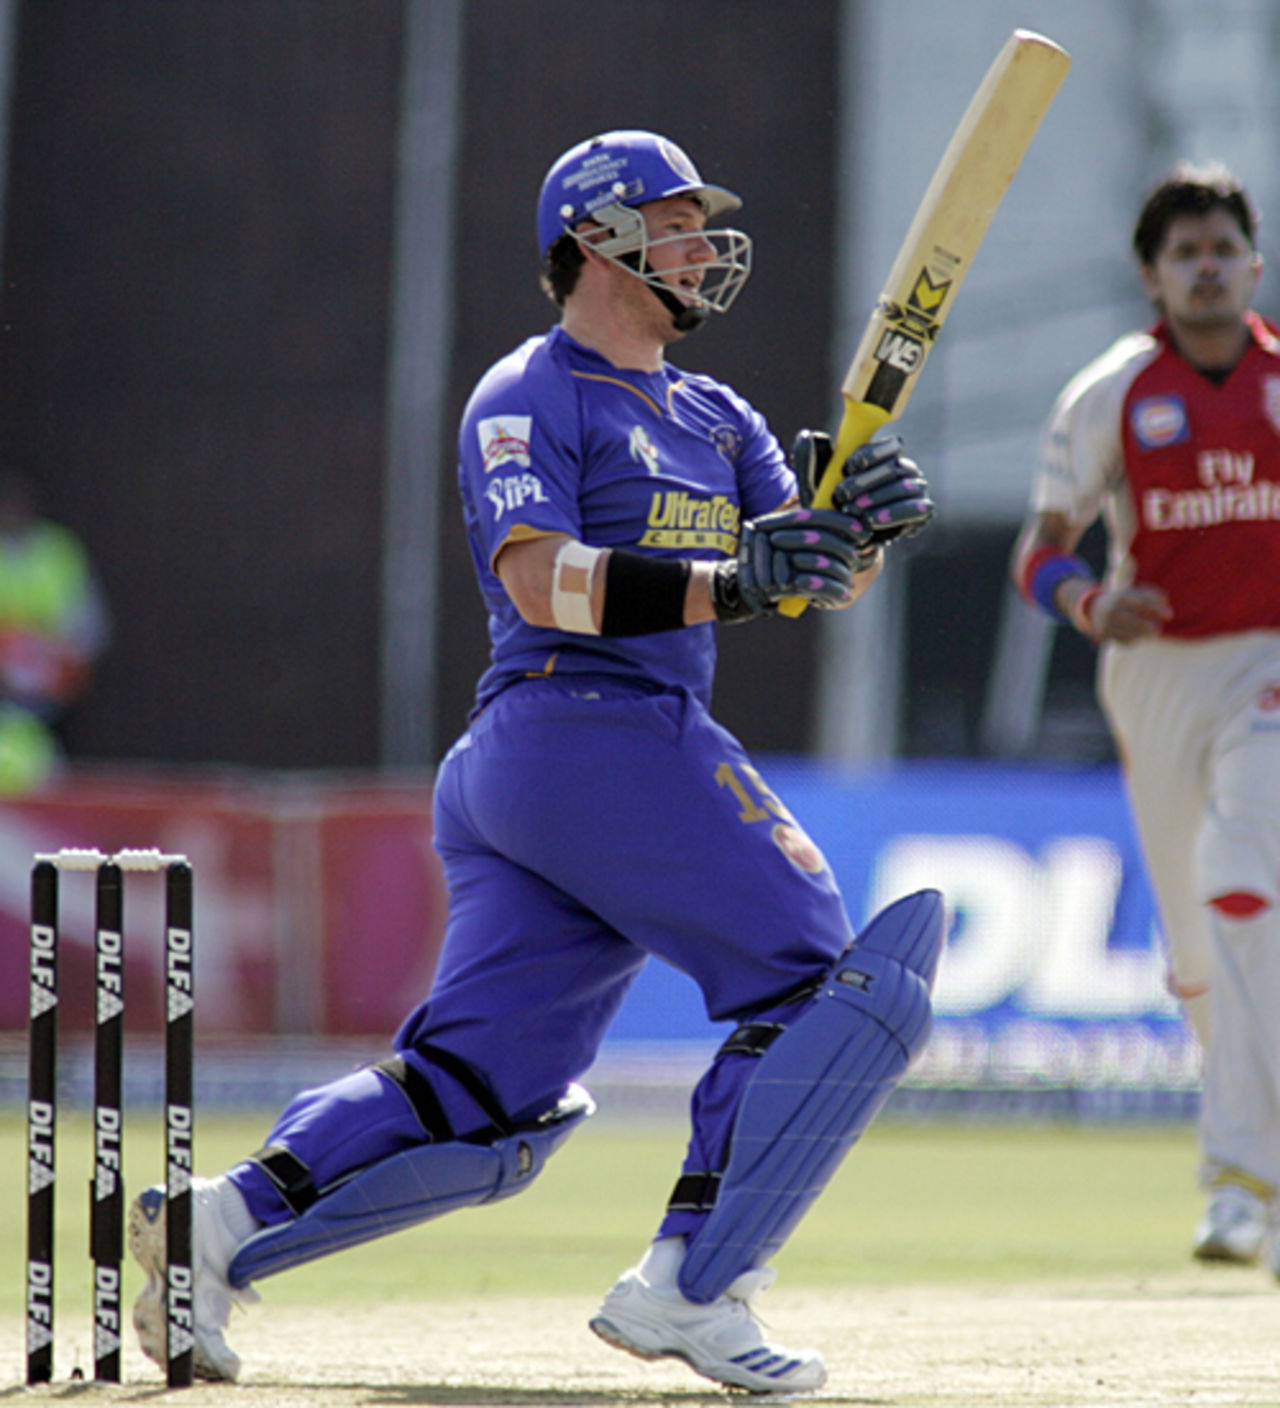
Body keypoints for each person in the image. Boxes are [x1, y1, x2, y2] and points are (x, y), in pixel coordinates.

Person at [127, 129, 944, 1390]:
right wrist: (737, 579)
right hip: (580, 723)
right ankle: (695, 1283)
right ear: (599, 238)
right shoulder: (529, 392)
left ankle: (212, 1225)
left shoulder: (713, 415)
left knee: (485, 1090)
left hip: (558, 767)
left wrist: (856, 525)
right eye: (674, 222)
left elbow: (798, 577)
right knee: (816, 984)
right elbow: (542, 579)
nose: (700, 246)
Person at [1012, 161, 1280, 1277]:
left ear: (1251, 263)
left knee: (1241, 880)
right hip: (1152, 674)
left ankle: (1233, 1177)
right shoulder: (1109, 392)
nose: (1205, 267)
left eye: (1221, 247)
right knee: (1193, 955)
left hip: (1265, 664)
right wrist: (1086, 600)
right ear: (1151, 274)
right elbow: (1040, 550)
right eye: (1184, 253)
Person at [0, 471, 110, 793]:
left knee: (50, 768)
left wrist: (50, 661)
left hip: (51, 691)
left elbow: (90, 630)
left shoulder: (58, 551)